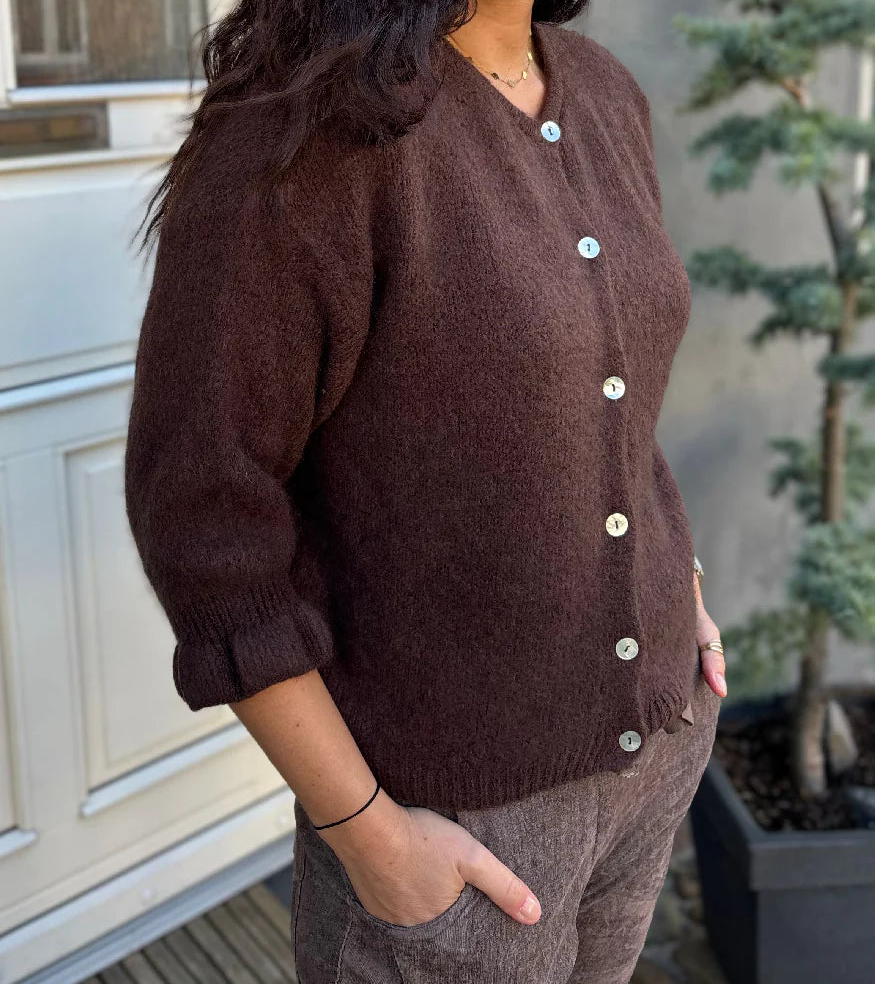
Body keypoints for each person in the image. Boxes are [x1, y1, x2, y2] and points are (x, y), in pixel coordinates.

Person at [124, 1, 728, 982]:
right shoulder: (309, 126)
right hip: (456, 821)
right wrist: (369, 836)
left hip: (656, 749)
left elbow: (612, 397)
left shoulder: (602, 88)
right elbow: (202, 515)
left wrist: (682, 586)